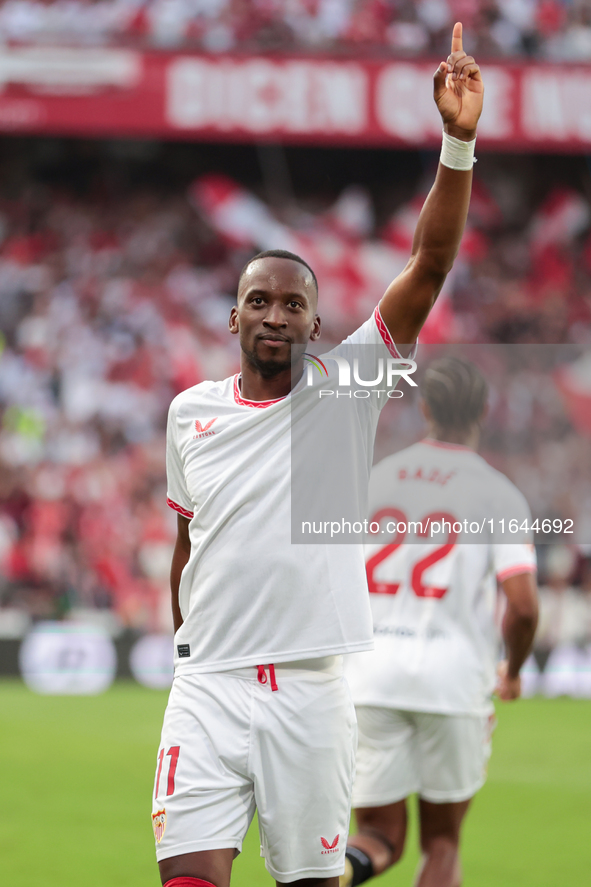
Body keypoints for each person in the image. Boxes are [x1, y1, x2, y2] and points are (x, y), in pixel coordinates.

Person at [153, 23, 484, 887]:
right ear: (232, 318)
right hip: (208, 687)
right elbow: (187, 546)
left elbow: (429, 260)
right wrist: (192, 649)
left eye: (289, 305)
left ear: (314, 323)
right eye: (255, 300)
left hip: (309, 690)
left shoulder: (348, 387)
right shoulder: (189, 413)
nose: (272, 314)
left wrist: (456, 140)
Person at [341, 357, 539, 887]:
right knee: (442, 843)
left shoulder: (375, 479)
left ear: (424, 407)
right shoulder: (498, 494)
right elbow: (522, 606)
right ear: (483, 411)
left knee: (379, 836)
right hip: (452, 681)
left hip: (369, 676)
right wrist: (514, 670)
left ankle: (331, 876)